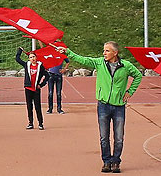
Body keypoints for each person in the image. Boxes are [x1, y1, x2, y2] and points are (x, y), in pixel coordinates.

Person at [56, 41, 142, 173]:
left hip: (119, 106)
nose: (104, 53)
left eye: (107, 51)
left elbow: (138, 76)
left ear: (115, 52)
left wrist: (130, 91)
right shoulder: (99, 63)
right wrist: (67, 52)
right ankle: (106, 162)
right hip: (103, 106)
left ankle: (116, 162)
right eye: (104, 50)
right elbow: (83, 59)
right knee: (104, 136)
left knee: (118, 137)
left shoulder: (126, 66)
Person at [16, 47, 49, 130]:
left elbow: (47, 76)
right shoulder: (27, 65)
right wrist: (19, 51)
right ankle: (30, 123)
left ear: (36, 57)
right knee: (29, 107)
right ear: (29, 59)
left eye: (33, 57)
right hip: (28, 89)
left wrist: (41, 85)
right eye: (30, 57)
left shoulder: (40, 66)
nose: (32, 58)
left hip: (36, 89)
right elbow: (17, 59)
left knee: (37, 107)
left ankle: (40, 123)